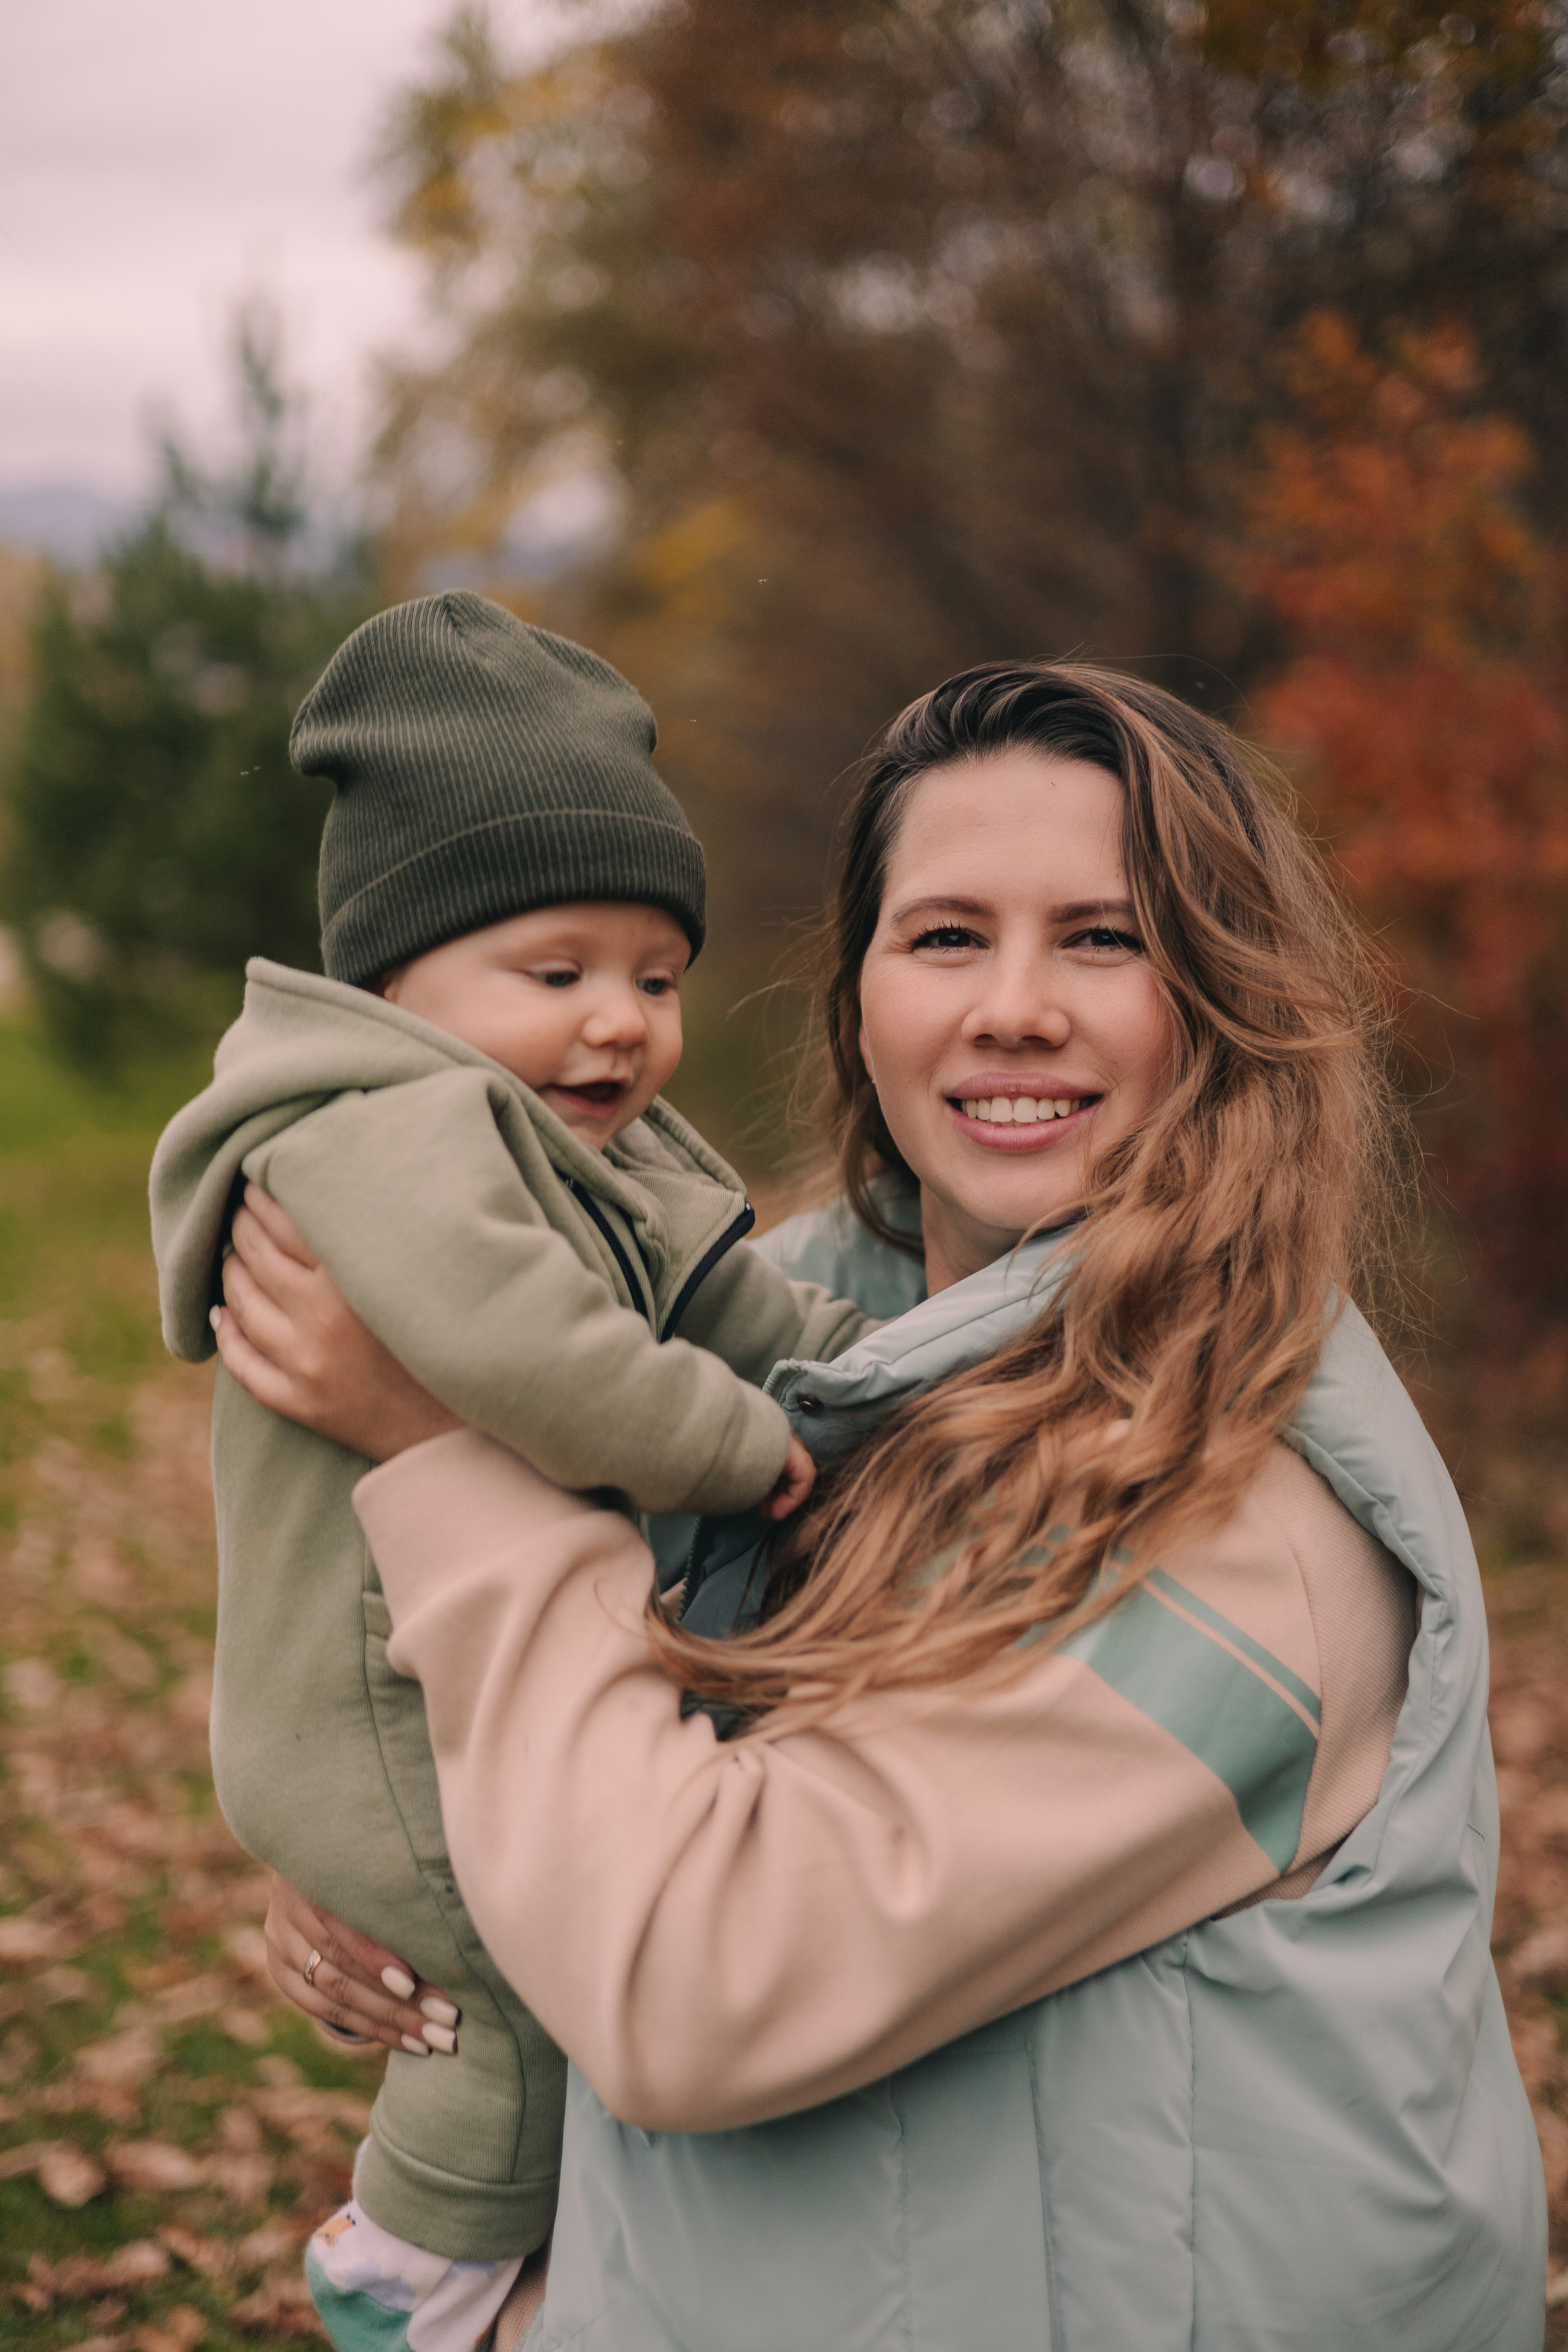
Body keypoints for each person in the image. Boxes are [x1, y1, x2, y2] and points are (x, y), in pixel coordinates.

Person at [214, 662, 1546, 2351]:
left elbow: (699, 1980)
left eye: (1101, 939)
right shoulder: (772, 1329)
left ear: (1224, 1000)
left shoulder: (1249, 1521)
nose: (1012, 1006)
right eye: (944, 938)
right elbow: (570, 1741)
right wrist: (395, 1843)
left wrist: (438, 1455)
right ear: (859, 1001)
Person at [149, 592, 873, 2352]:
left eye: (655, 977)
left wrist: (859, 1375)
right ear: (399, 980)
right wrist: (748, 1445)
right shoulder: (385, 1130)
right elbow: (533, 1362)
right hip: (370, 1705)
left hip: (446, 1669)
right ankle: (408, 2266)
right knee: (507, 1998)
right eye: (554, 976)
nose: (617, 1025)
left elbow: (723, 1291)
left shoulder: (567, 1132)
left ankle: (529, 2260)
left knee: (558, 1971)